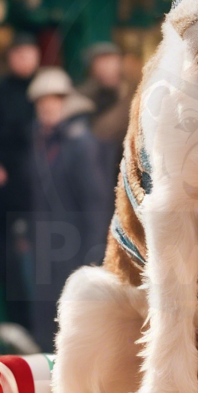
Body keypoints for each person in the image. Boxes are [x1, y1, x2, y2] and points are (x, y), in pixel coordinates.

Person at [25, 68, 111, 350]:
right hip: (45, 245)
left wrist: (92, 250)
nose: (47, 107)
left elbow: (95, 202)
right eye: (42, 102)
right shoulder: (39, 142)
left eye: (54, 100)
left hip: (74, 247)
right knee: (45, 319)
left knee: (73, 321)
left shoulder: (81, 144)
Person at [0, 32, 40, 330]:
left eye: (29, 53)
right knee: (12, 263)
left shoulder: (45, 89)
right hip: (10, 193)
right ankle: (16, 322)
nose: (25, 60)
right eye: (19, 54)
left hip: (41, 192)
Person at [77, 41, 131, 182]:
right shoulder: (84, 97)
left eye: (111, 61)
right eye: (101, 62)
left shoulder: (132, 91)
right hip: (100, 170)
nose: (106, 67)